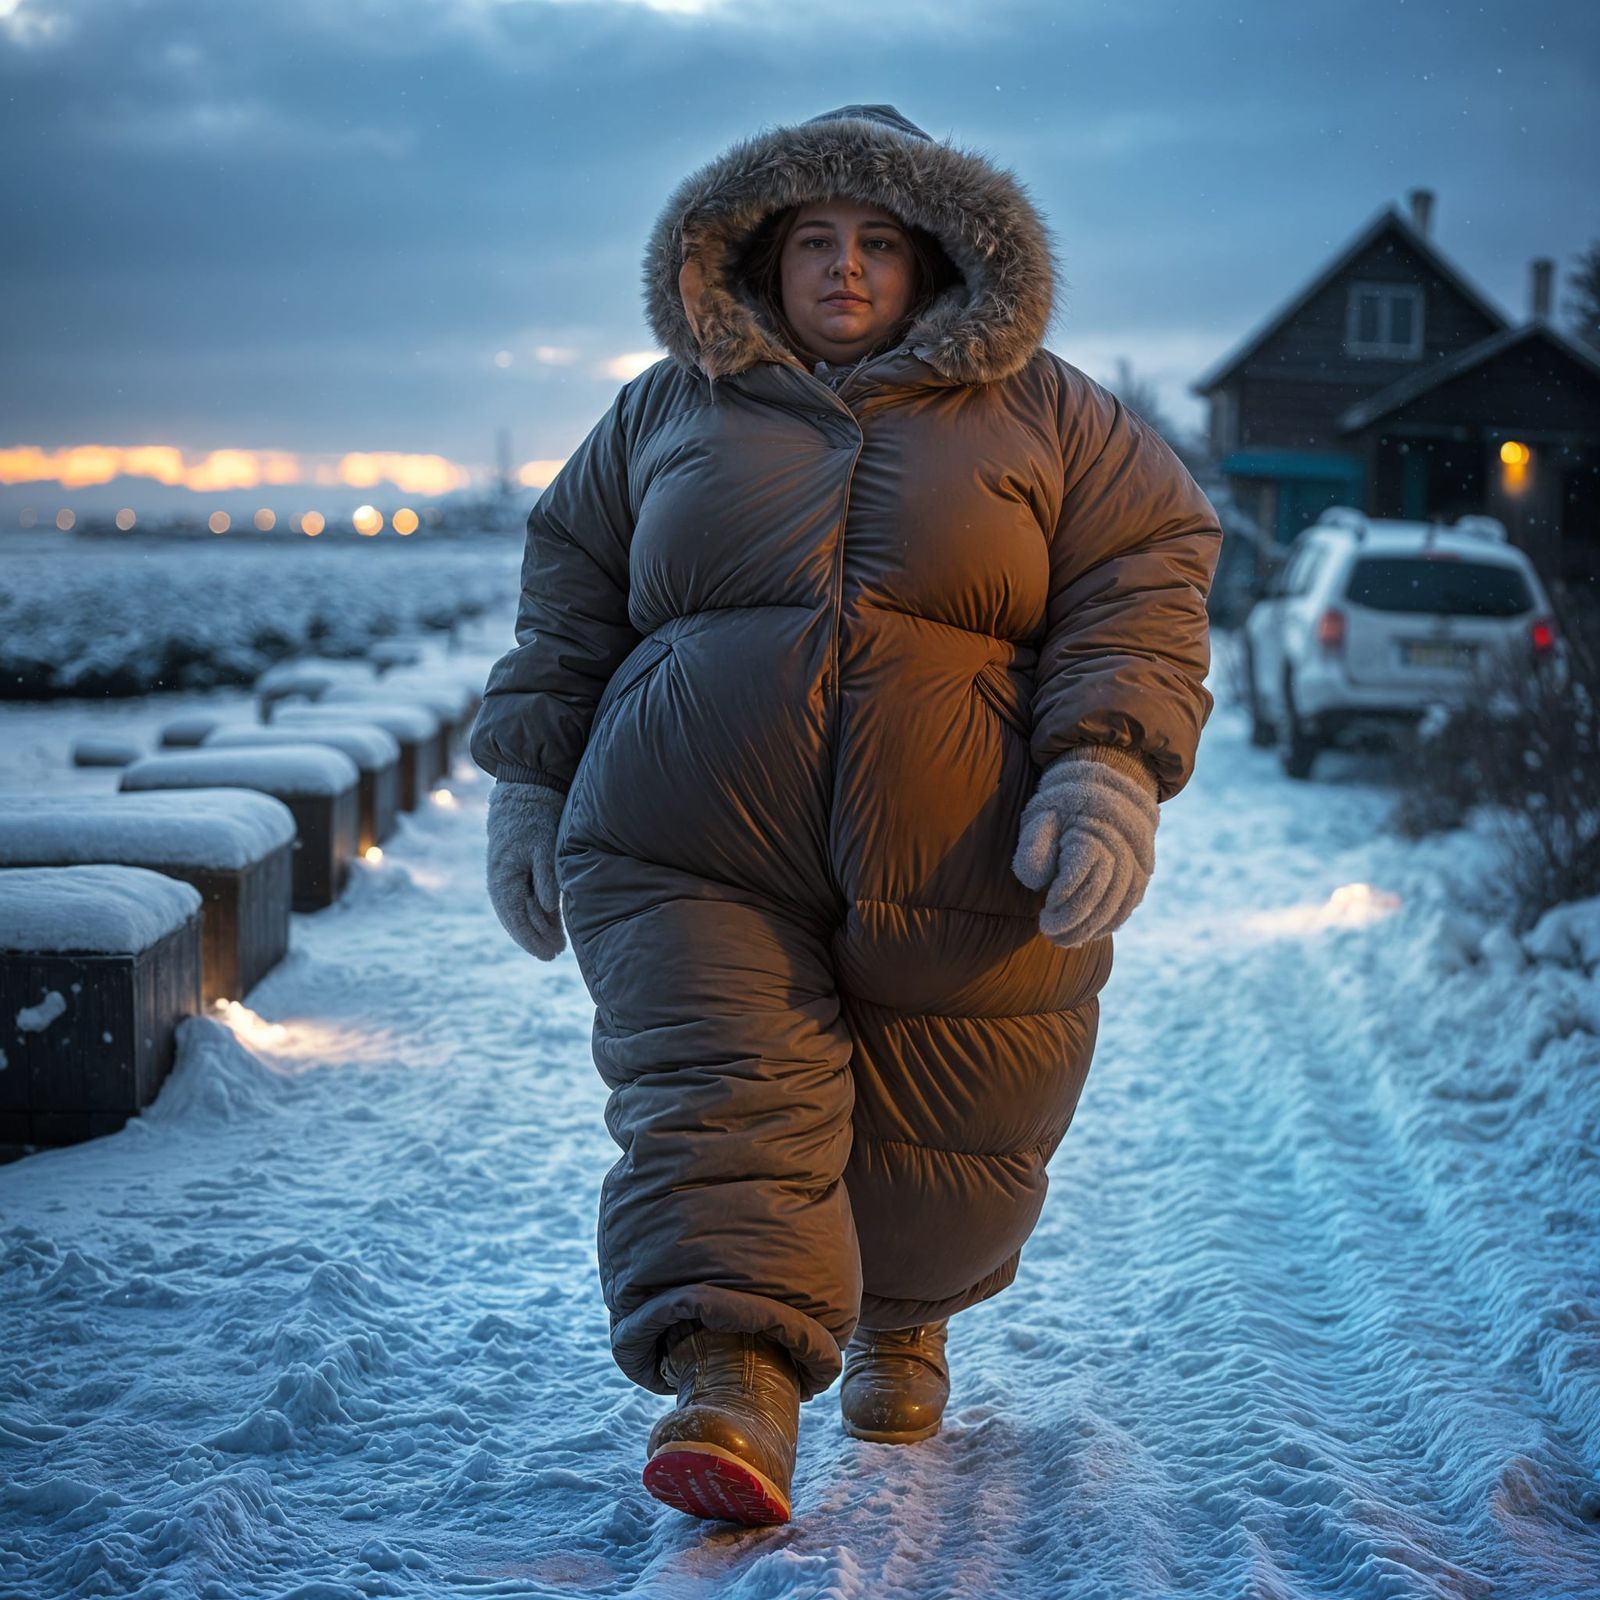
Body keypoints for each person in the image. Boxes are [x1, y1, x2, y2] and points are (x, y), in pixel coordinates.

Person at [470, 104, 1221, 1527]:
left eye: (878, 241)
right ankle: (733, 1374)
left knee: (954, 1118)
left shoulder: (1052, 415)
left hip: (961, 843)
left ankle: (906, 1312)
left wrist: (1107, 764)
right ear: (753, 256)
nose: (844, 269)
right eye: (813, 239)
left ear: (937, 261)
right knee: (719, 1091)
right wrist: (529, 778)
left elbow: (1147, 573)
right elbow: (568, 586)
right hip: (684, 835)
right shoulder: (664, 404)